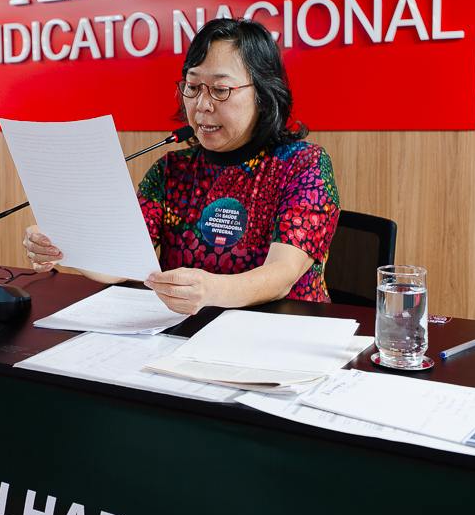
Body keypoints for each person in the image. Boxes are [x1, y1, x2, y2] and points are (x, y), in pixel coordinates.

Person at [23, 18, 339, 314]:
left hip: (285, 330)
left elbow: (282, 274)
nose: (201, 104)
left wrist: (211, 291)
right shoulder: (171, 170)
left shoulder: (302, 164)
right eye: (192, 86)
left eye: (220, 89)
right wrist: (62, 245)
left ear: (263, 94)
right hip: (184, 334)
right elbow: (121, 261)